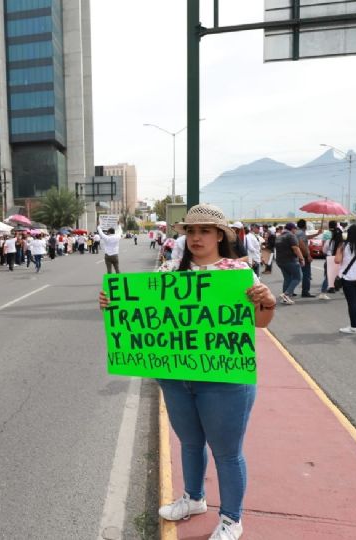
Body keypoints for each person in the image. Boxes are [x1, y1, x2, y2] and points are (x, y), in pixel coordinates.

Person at [98, 204, 276, 540]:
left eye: (204, 231)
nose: (196, 237)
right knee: (190, 443)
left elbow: (260, 323)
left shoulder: (238, 273)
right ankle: (194, 498)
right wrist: (113, 305)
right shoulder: (168, 272)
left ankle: (231, 519)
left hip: (225, 380)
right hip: (177, 378)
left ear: (220, 236)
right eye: (190, 231)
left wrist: (268, 303)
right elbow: (143, 313)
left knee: (227, 452)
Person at [274, 223, 304, 304]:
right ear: (292, 229)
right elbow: (295, 248)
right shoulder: (291, 236)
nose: (296, 230)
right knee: (298, 277)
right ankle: (286, 294)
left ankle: (285, 298)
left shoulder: (279, 236)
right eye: (295, 229)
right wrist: (301, 258)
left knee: (287, 278)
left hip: (280, 261)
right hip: (290, 260)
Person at [318, 225, 344, 300]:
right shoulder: (342, 243)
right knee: (342, 275)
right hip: (339, 260)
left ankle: (323, 293)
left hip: (329, 259)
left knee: (328, 277)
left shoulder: (329, 241)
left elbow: (324, 251)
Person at [296, 219, 314, 297]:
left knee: (296, 274)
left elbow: (306, 237)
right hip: (304, 256)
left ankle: (289, 291)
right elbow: (302, 244)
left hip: (298, 256)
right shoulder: (301, 233)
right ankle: (305, 291)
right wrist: (308, 255)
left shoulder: (297, 232)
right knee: (306, 275)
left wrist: (317, 234)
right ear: (305, 225)